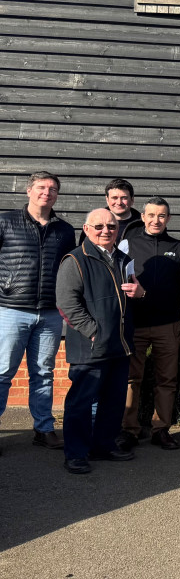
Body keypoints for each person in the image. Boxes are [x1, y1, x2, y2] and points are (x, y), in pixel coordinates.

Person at [56, 208, 144, 474]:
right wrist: (93, 331)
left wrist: (140, 292)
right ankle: (76, 454)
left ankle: (103, 446)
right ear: (86, 229)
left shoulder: (123, 258)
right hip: (90, 345)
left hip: (119, 345)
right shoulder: (75, 259)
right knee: (81, 403)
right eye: (99, 227)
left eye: (111, 226)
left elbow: (131, 294)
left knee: (113, 400)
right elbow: (67, 304)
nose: (106, 231)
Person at [0, 171, 76, 455]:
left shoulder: (65, 230)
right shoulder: (5, 221)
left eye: (53, 188)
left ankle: (44, 429)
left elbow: (69, 271)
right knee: (2, 373)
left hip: (49, 313)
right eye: (42, 187)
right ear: (28, 191)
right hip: (10, 309)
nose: (47, 192)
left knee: (44, 373)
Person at [115, 196, 180, 452]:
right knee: (130, 379)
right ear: (143, 217)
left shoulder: (179, 247)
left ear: (168, 218)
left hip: (167, 324)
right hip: (134, 324)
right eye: (151, 215)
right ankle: (129, 430)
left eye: (161, 216)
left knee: (166, 379)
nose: (155, 220)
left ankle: (161, 429)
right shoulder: (127, 244)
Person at [79, 178, 142, 245]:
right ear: (107, 199)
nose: (119, 202)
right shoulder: (93, 223)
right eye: (114, 198)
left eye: (124, 198)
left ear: (132, 200)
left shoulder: (143, 224)